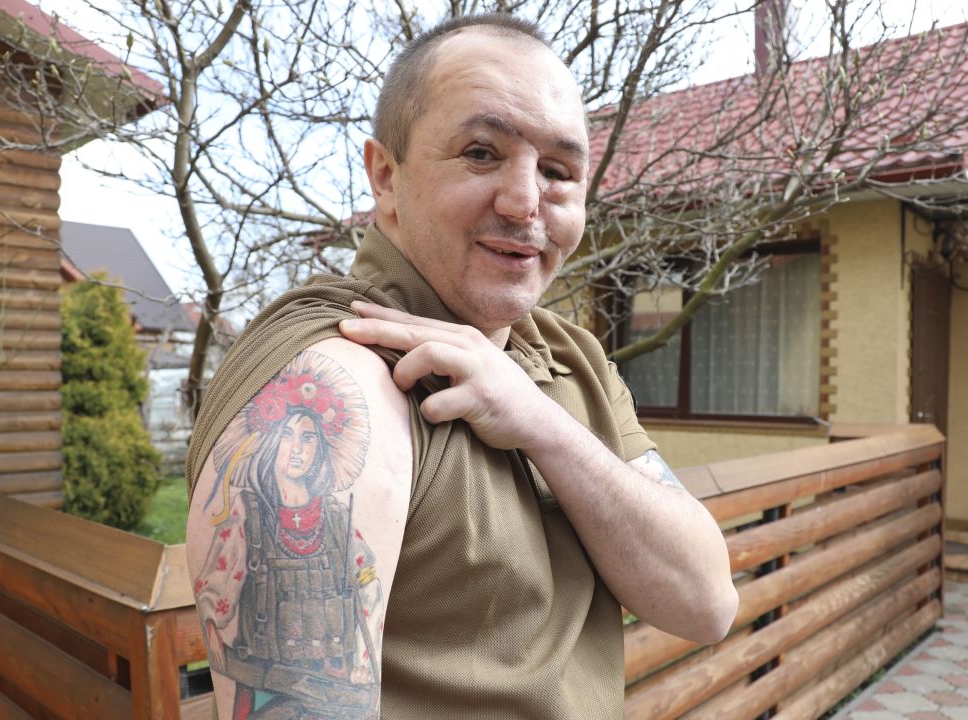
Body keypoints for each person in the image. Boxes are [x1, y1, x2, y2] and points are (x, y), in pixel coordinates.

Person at [186, 13, 737, 719]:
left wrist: (542, 425)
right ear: (386, 177)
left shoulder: (571, 358)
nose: (524, 201)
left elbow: (706, 603)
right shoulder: (334, 376)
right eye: (481, 153)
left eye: (560, 172)